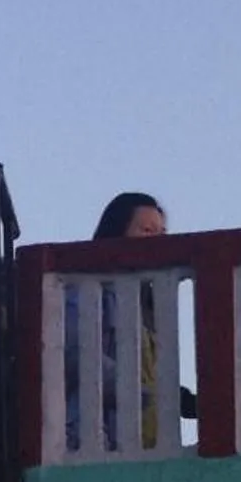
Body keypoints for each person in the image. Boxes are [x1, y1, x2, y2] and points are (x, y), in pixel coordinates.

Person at [67, 191, 194, 452]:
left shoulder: (149, 305)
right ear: (116, 235)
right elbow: (77, 356)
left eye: (162, 234)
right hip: (99, 443)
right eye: (147, 231)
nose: (157, 243)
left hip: (147, 449)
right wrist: (147, 394)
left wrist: (177, 397)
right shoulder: (87, 290)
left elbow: (147, 373)